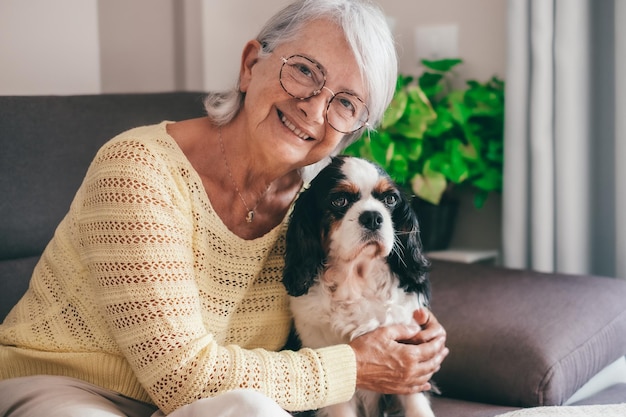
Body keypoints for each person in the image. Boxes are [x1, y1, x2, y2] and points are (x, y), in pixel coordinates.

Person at [0, 0, 449, 416]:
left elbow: (359, 299)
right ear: (251, 65)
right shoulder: (139, 170)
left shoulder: (318, 207)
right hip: (68, 388)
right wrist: (355, 366)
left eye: (346, 103)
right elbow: (181, 377)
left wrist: (411, 338)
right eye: (306, 72)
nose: (314, 109)